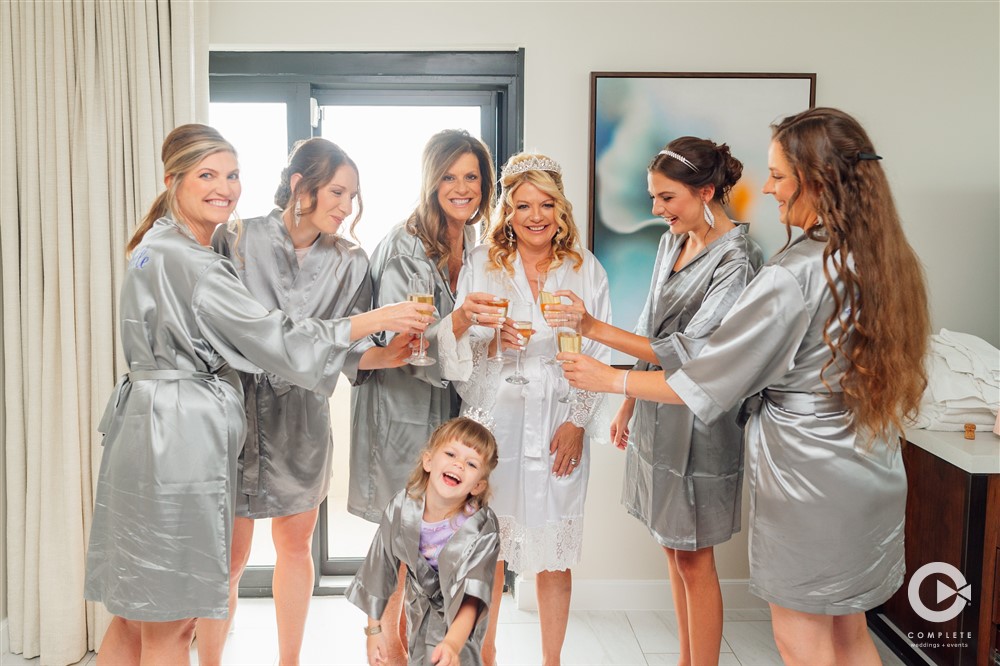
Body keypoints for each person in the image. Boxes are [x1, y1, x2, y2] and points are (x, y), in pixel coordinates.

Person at [562, 107, 930, 666]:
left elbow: (709, 374)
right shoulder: (882, 257)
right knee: (848, 630)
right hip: (867, 459)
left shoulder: (789, 271)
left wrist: (611, 379)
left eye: (779, 175)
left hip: (811, 472)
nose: (767, 188)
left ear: (818, 179)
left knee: (800, 636)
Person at [83, 124, 432, 665]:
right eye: (208, 175)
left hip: (153, 423)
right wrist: (374, 319)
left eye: (232, 175)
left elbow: (323, 353)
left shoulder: (155, 246)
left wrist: (390, 344)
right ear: (174, 180)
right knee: (176, 615)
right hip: (185, 434)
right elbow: (276, 336)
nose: (225, 187)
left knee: (137, 611)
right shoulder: (210, 255)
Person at [195, 138, 416, 665]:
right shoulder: (236, 238)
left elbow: (353, 352)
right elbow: (223, 327)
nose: (346, 205)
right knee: (228, 558)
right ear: (300, 185)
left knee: (295, 547)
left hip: (302, 421)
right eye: (337, 191)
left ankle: (288, 662)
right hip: (234, 414)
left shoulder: (351, 262)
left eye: (353, 195)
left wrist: (400, 350)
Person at [557, 136, 763, 665]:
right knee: (673, 549)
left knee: (695, 557)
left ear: (707, 191)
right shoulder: (672, 242)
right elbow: (653, 324)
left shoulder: (738, 260)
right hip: (654, 405)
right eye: (653, 196)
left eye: (667, 198)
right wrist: (628, 404)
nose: (656, 209)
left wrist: (594, 329)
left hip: (701, 420)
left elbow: (695, 351)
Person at [440, 152, 611, 665]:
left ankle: (551, 661)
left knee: (554, 557)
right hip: (496, 425)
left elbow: (600, 353)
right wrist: (495, 344)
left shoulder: (585, 270)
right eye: (522, 206)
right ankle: (485, 654)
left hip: (559, 417)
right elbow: (459, 352)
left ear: (561, 210)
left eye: (546, 205)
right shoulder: (483, 266)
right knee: (488, 549)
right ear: (507, 213)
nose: (535, 216)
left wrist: (577, 423)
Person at [350, 129, 500, 663]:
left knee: (442, 547)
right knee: (402, 543)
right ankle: (385, 654)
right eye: (449, 176)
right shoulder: (405, 244)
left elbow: (465, 339)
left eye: (472, 177)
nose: (462, 188)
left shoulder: (474, 247)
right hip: (400, 408)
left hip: (446, 410)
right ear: (430, 181)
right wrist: (459, 320)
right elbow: (400, 343)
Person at [346, 417, 500, 666]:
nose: (458, 464)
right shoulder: (402, 508)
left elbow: (473, 597)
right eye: (451, 453)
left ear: (478, 486)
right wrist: (374, 631)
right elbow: (380, 568)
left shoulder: (481, 528)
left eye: (471, 464)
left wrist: (452, 643)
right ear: (428, 460)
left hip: (461, 626)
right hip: (419, 613)